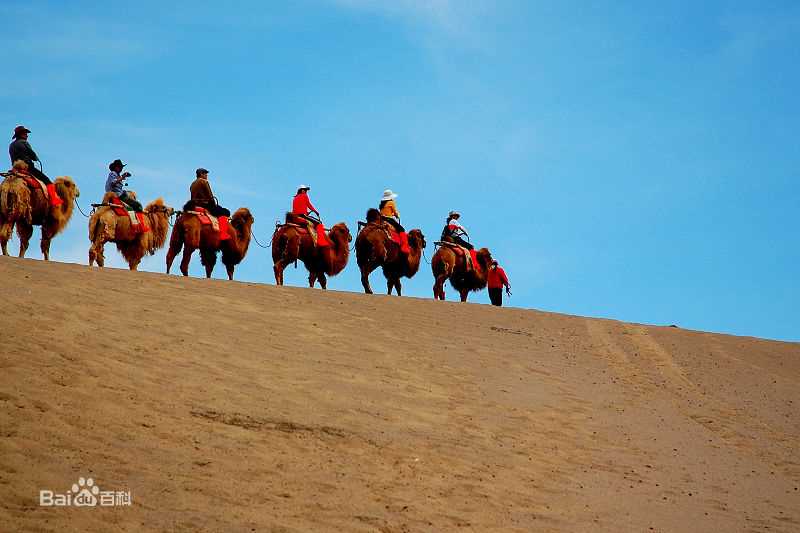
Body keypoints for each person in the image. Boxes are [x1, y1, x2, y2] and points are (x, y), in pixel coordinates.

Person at [8, 125, 62, 207]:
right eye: (25, 133)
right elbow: (32, 154)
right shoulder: (24, 142)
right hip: (27, 168)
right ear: (21, 134)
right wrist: (35, 158)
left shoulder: (11, 145)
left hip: (15, 169)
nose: (27, 135)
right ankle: (54, 199)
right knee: (47, 180)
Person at [189, 168, 230, 240]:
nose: (206, 175)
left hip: (194, 206)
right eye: (205, 174)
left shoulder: (192, 184)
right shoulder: (204, 182)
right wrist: (214, 205)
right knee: (225, 212)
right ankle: (223, 234)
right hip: (205, 205)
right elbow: (210, 196)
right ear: (201, 174)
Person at [379, 189, 410, 254]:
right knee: (401, 229)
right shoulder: (391, 202)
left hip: (381, 218)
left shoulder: (382, 204)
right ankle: (404, 246)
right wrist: (397, 215)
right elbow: (395, 212)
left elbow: (385, 212)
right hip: (388, 219)